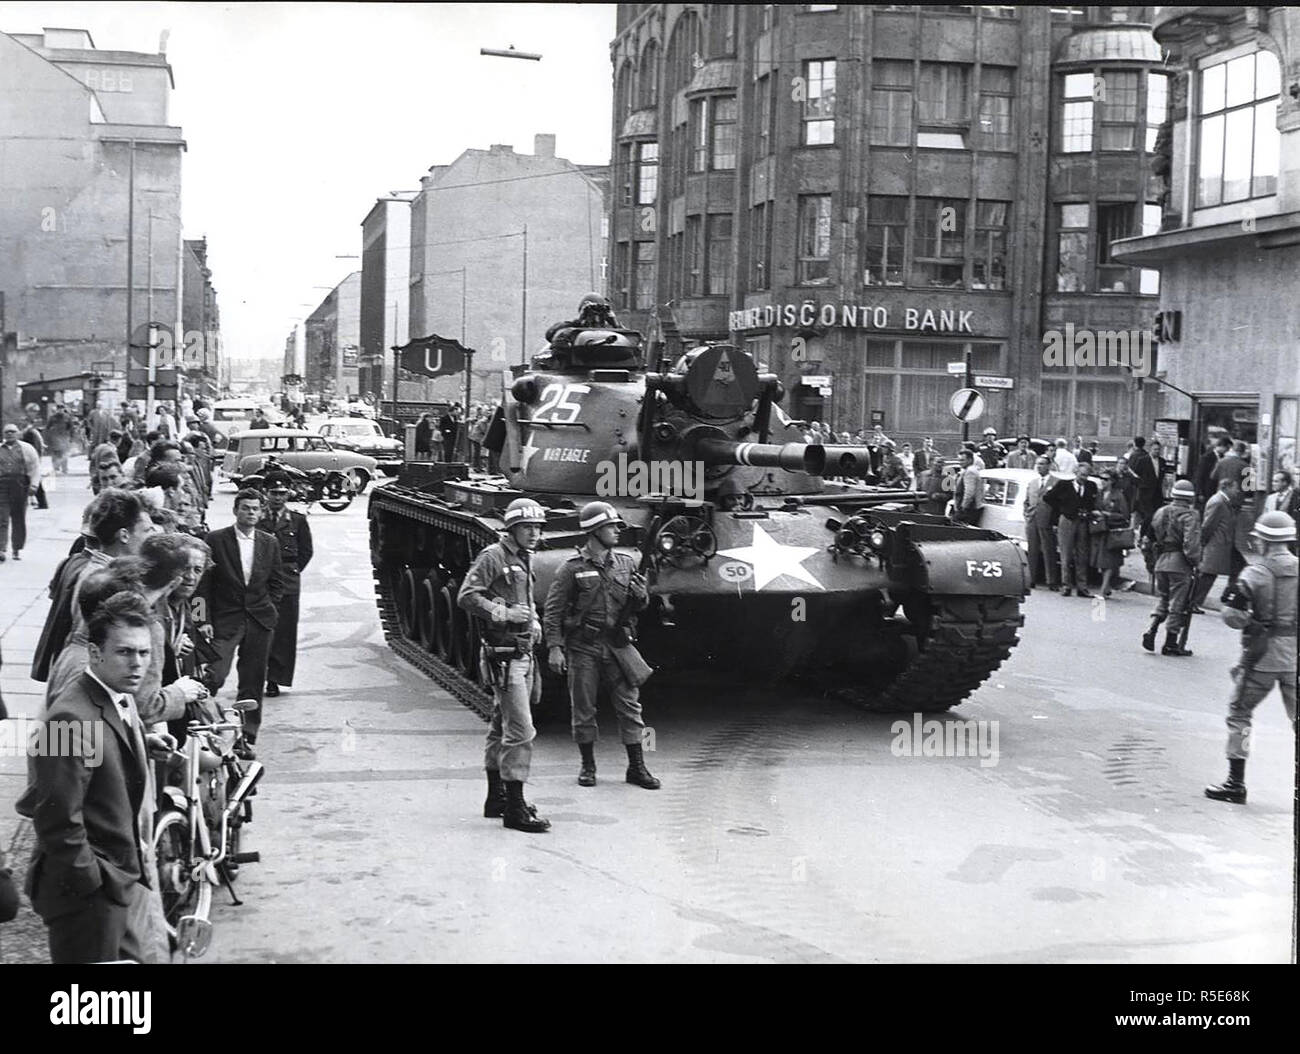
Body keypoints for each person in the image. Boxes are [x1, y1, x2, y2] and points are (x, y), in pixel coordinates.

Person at [17, 592, 174, 963]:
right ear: (94, 653)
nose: (137, 664)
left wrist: (141, 743)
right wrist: (95, 885)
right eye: (124, 652)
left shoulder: (116, 695)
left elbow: (100, 747)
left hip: (120, 880)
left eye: (144, 653)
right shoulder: (66, 719)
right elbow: (56, 819)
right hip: (90, 894)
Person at [544, 501, 658, 792]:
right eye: (610, 527)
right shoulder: (571, 569)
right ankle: (588, 765)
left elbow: (639, 607)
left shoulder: (626, 563)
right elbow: (553, 611)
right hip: (583, 647)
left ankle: (638, 766)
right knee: (583, 708)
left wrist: (642, 596)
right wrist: (555, 647)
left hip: (619, 646)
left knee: (632, 707)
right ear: (594, 531)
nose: (617, 531)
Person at [457, 498, 550, 833]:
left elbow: (523, 598)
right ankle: (515, 809)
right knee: (521, 731)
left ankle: (497, 798)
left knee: (500, 726)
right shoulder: (493, 556)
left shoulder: (525, 557)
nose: (534, 533)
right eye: (528, 527)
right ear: (511, 528)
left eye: (538, 527)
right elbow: (467, 595)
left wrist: (534, 620)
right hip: (504, 656)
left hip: (522, 653)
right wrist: (504, 614)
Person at [1204, 511, 1297, 804]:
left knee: (1239, 713)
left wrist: (1250, 623)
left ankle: (1235, 782)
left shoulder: (1255, 573)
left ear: (1264, 541)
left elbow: (1231, 614)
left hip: (1262, 657)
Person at [200, 489, 286, 753]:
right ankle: (200, 724)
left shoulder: (269, 542)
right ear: (235, 510)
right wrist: (201, 619)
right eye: (246, 508)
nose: (250, 513)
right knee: (214, 674)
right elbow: (201, 585)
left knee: (252, 680)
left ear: (261, 513)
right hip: (225, 620)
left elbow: (277, 582)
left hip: (259, 621)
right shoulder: (215, 540)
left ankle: (246, 737)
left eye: (255, 509)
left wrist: (270, 607)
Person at [258, 472, 313, 697]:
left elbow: (306, 551)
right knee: (261, 630)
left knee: (285, 632)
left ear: (288, 493)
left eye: (282, 493)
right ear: (265, 493)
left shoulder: (298, 520)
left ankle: (275, 678)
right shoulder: (257, 518)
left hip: (288, 582)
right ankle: (259, 675)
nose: (278, 498)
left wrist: (292, 570)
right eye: (273, 493)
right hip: (261, 581)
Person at [1141, 479, 1201, 656]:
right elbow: (1191, 544)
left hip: (1161, 561)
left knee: (1164, 598)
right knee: (1178, 603)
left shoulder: (1160, 512)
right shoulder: (1190, 515)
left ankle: (1152, 627)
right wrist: (1196, 562)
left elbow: (1149, 538)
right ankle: (1170, 642)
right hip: (1179, 563)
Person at [1045, 462, 1097, 597]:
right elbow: (1048, 497)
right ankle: (1066, 585)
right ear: (1076, 473)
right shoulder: (1064, 485)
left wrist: (1088, 513)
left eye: (1086, 475)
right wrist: (1062, 509)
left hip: (1083, 522)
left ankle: (1082, 586)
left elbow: (1093, 503)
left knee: (1082, 554)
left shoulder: (1091, 486)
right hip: (1067, 520)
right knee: (1066, 554)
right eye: (1081, 475)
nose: (1084, 478)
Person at [1189, 476, 1238, 614]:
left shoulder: (1223, 501)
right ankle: (1192, 602)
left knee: (1210, 575)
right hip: (1215, 544)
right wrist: (1202, 543)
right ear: (1226, 488)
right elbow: (1208, 525)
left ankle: (1194, 602)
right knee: (1207, 575)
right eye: (1234, 487)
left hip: (1221, 545)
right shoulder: (1218, 502)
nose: (1237, 491)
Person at [0, 422, 41, 561]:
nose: (10, 434)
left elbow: (35, 468)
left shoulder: (27, 449)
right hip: (2, 487)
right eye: (7, 432)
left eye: (12, 431)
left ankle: (16, 549)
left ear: (18, 433)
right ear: (3, 434)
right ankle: (1, 549)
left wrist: (34, 485)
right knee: (2, 518)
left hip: (20, 486)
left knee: (18, 518)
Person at [1091, 469, 1131, 597]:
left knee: (1108, 561)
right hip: (1100, 530)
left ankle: (1103, 590)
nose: (1103, 481)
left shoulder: (1119, 495)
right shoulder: (1099, 493)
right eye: (1101, 479)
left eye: (1106, 479)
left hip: (1112, 532)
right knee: (1101, 561)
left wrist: (1107, 514)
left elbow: (1124, 515)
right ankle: (1107, 586)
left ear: (1112, 481)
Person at [1024, 455, 1060, 591]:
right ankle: (1031, 579)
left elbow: (1058, 504)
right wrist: (1027, 514)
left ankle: (1051, 580)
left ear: (1049, 466)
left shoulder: (1056, 482)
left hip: (1047, 520)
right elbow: (1026, 501)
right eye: (1038, 464)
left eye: (1043, 464)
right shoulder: (1033, 482)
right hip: (1033, 519)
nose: (1039, 466)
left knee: (1048, 550)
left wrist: (1054, 520)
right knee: (1032, 550)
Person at [1126, 436, 1160, 529]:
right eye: (1155, 449)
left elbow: (1132, 473)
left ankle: (1135, 533)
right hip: (1144, 492)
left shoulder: (1134, 455)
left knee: (1138, 514)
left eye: (1158, 449)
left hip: (1140, 491)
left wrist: (1139, 484)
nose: (1157, 451)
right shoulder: (1144, 456)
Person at [952, 449, 983, 525]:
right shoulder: (972, 470)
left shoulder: (970, 472)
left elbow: (969, 492)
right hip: (970, 508)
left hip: (968, 509)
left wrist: (963, 508)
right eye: (959, 460)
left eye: (962, 460)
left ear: (970, 460)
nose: (960, 462)